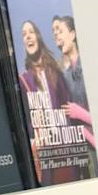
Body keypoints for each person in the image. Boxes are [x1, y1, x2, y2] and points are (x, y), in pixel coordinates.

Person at [18, 20, 77, 185]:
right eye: (24, 34)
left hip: (64, 148)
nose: (28, 36)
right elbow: (26, 121)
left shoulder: (56, 73)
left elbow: (69, 106)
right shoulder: (23, 80)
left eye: (31, 32)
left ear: (38, 37)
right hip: (44, 154)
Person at [53, 15, 98, 176]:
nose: (57, 35)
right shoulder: (65, 76)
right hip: (85, 152)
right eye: (55, 33)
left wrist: (81, 114)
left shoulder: (89, 66)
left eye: (60, 31)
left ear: (72, 34)